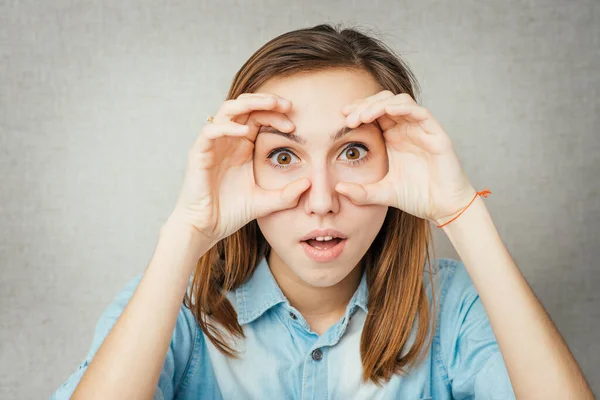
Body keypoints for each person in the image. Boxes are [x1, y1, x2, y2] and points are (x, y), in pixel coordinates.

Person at [50, 24, 593, 399]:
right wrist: (189, 229)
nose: (321, 198)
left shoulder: (454, 307)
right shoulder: (172, 307)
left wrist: (460, 212)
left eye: (352, 151)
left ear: (394, 161)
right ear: (246, 168)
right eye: (283, 156)